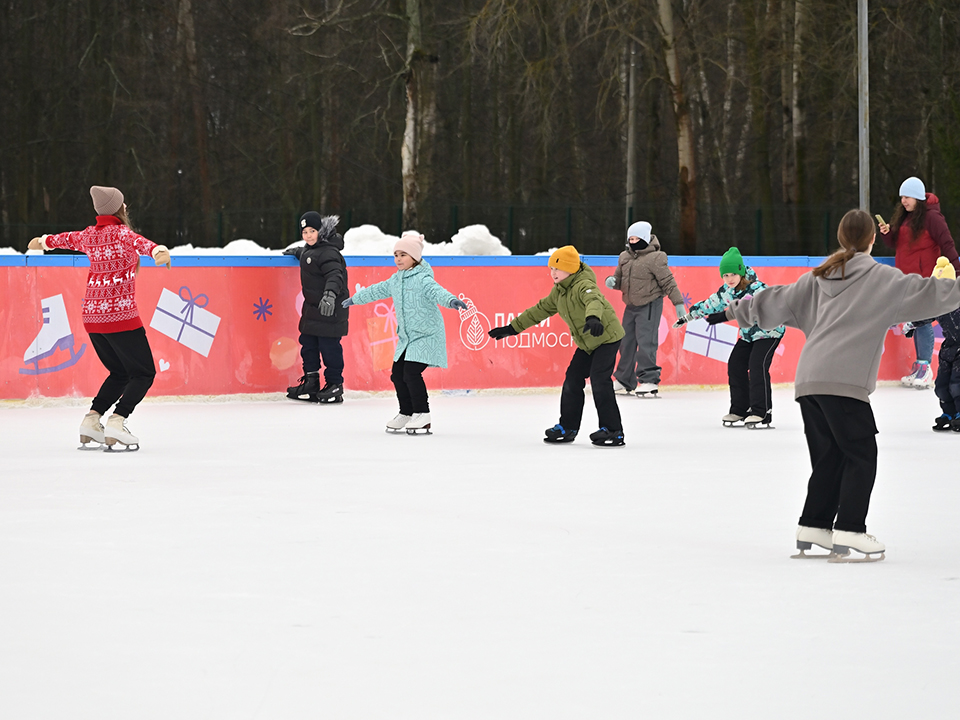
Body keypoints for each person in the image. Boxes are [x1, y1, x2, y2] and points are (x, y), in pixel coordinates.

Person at [712, 209, 960, 562]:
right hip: (843, 382)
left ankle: (814, 525)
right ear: (873, 240)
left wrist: (731, 311)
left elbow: (773, 300)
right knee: (861, 454)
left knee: (829, 458)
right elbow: (935, 292)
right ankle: (850, 530)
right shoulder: (883, 280)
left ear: (843, 239)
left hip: (809, 381)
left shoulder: (818, 277)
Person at [27, 185, 170, 451]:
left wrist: (43, 241)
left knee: (120, 372)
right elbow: (145, 245)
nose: (125, 207)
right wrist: (160, 252)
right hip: (120, 316)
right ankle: (118, 419)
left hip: (93, 317)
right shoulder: (122, 234)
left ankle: (92, 421)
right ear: (118, 208)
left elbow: (64, 239)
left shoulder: (89, 235)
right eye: (123, 203)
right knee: (143, 373)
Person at [488, 245, 627, 446]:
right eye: (551, 268)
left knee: (599, 380)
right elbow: (540, 310)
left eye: (557, 269)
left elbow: (593, 300)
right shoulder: (559, 291)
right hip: (588, 341)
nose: (552, 273)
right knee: (572, 378)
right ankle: (568, 427)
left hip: (606, 337)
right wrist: (512, 328)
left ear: (570, 269)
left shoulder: (583, 284)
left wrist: (593, 318)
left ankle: (613, 430)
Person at [343, 232, 467, 434]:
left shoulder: (423, 279)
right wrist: (355, 299)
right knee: (397, 375)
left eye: (403, 255)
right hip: (407, 338)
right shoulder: (395, 279)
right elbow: (376, 290)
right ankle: (406, 412)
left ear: (415, 257)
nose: (398, 259)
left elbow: (438, 292)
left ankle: (422, 414)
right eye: (396, 255)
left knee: (411, 373)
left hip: (427, 335)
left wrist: (451, 301)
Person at [673, 247, 785, 428]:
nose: (729, 279)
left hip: (770, 332)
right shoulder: (727, 291)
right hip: (748, 335)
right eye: (725, 275)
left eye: (733, 274)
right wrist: (688, 317)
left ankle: (762, 412)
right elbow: (710, 305)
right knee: (735, 364)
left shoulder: (757, 289)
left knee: (757, 366)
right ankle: (740, 409)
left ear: (741, 272)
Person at [878, 176, 960, 389]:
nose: (903, 201)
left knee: (922, 319)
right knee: (916, 318)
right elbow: (897, 243)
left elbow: (947, 243)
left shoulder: (933, 218)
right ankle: (919, 367)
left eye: (907, 197)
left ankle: (925, 368)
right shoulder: (906, 218)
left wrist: (957, 271)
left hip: (924, 278)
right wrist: (887, 234)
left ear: (917, 197)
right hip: (906, 278)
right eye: (902, 197)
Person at [605, 220, 685, 398]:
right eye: (630, 239)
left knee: (646, 343)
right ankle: (624, 379)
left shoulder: (656, 258)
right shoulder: (624, 257)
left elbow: (668, 282)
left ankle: (649, 380)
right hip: (630, 306)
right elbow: (619, 279)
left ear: (645, 238)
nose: (633, 242)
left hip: (649, 305)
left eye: (636, 238)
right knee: (625, 342)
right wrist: (612, 282)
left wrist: (678, 303)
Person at [283, 213, 349, 403]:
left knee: (329, 347)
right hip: (313, 308)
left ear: (321, 231)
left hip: (330, 307)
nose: (309, 235)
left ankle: (335, 384)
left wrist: (329, 295)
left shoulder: (329, 252)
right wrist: (297, 251)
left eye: (313, 231)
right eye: (305, 232)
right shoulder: (310, 250)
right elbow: (309, 255)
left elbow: (335, 275)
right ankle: (311, 381)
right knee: (308, 344)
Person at [928, 257, 960, 432]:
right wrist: (911, 325)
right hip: (948, 350)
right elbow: (924, 315)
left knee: (957, 384)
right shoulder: (937, 303)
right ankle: (948, 412)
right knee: (941, 385)